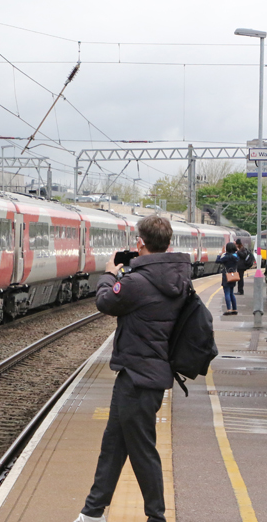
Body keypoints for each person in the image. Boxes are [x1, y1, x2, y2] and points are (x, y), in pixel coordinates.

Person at [75, 215, 191, 522]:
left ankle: (156, 516)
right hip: (141, 372)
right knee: (113, 444)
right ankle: (92, 513)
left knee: (141, 450)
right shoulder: (177, 278)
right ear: (168, 244)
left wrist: (110, 274)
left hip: (139, 376)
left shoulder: (137, 282)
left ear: (140, 243)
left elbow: (105, 302)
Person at [217, 243, 240, 315]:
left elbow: (218, 261)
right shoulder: (236, 257)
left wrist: (220, 254)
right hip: (233, 276)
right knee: (231, 293)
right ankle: (235, 309)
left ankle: (229, 309)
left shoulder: (226, 257)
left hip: (226, 276)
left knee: (226, 293)